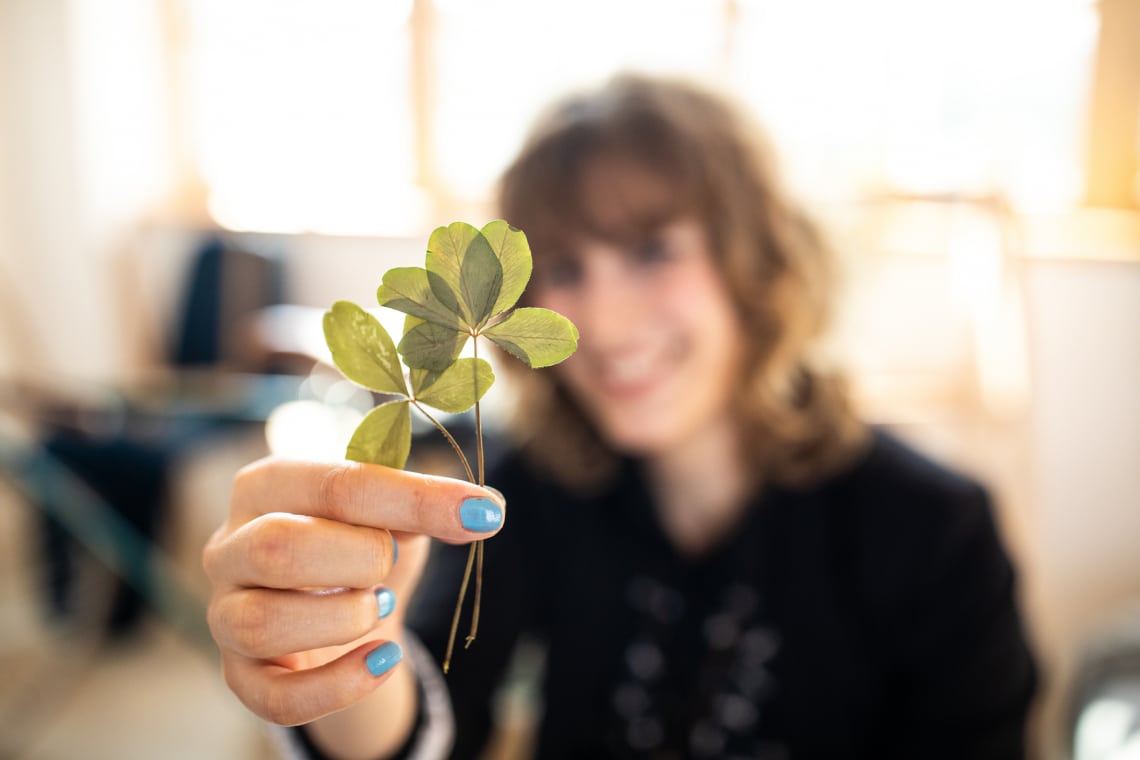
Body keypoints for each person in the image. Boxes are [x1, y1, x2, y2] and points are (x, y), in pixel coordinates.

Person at [202, 73, 1038, 759]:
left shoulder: (934, 529)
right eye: (563, 268)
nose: (598, 322)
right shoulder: (525, 492)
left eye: (650, 250)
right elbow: (434, 714)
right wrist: (342, 664)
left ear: (756, 261)